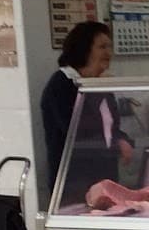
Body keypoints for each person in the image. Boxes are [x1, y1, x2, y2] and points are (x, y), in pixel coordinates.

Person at [40, 22, 134, 203]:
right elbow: (76, 130)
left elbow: (110, 127)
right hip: (75, 182)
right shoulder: (62, 84)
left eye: (109, 47)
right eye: (102, 47)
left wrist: (122, 139)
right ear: (84, 49)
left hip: (105, 177)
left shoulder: (98, 84)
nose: (108, 53)